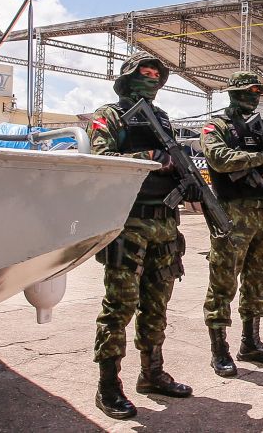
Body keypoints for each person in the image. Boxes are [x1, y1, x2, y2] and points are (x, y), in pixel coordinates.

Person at [89, 52, 195, 419]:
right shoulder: (110, 115)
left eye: (156, 74)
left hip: (165, 226)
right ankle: (108, 387)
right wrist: (155, 156)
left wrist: (188, 181)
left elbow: (176, 162)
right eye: (144, 73)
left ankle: (151, 374)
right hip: (129, 224)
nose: (151, 78)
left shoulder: (163, 118)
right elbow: (103, 159)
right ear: (128, 77)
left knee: (156, 306)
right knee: (119, 307)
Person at [201, 72, 263, 378]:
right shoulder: (216, 127)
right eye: (248, 92)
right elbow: (219, 158)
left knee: (257, 281)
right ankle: (219, 351)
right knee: (223, 283)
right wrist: (259, 158)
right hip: (232, 214)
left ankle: (251, 343)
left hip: (262, 213)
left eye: (257, 92)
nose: (253, 97)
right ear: (233, 93)